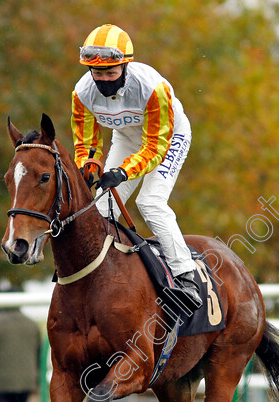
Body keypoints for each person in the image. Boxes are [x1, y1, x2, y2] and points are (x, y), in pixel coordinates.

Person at [71, 23, 202, 309]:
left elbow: (154, 147)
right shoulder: (81, 93)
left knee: (150, 201)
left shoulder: (153, 88)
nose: (103, 80)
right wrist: (90, 166)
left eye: (110, 73)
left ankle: (186, 275)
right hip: (128, 138)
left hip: (167, 137)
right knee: (101, 208)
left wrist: (122, 172)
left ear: (125, 67)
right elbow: (87, 142)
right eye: (97, 74)